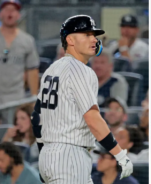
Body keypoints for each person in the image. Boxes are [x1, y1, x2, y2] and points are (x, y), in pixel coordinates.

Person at [30, 15, 133, 184]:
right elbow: (92, 119)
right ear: (70, 39)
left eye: (93, 35)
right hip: (70, 156)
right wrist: (120, 154)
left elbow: (36, 118)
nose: (93, 39)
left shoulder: (51, 69)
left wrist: (44, 152)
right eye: (86, 35)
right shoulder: (81, 70)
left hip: (51, 154)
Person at [0, 0, 39, 123]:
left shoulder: (27, 40)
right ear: (1, 13)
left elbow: (32, 69)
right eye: (6, 9)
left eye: (13, 10)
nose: (9, 13)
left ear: (19, 14)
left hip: (17, 97)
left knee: (16, 131)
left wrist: (33, 98)